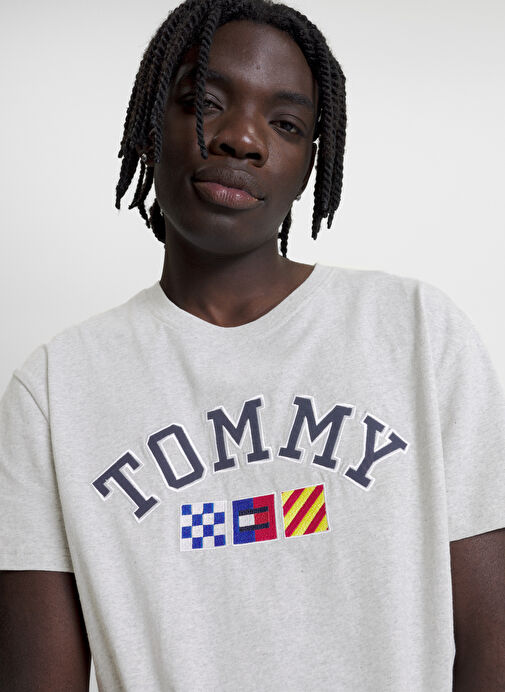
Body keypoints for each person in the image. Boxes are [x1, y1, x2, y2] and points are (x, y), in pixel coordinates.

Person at [1, 0, 504, 689]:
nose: (242, 139)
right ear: (149, 127)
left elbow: (492, 641)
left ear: (308, 165)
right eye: (204, 103)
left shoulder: (416, 332)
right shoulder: (55, 390)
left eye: (285, 123)